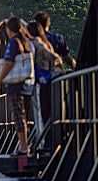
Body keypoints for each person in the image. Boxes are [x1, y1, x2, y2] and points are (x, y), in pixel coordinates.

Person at [33, 11, 76, 149]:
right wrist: (78, 68)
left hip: (42, 81)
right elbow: (68, 58)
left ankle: (49, 142)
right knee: (61, 108)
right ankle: (64, 138)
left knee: (45, 112)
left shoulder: (35, 40)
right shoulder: (58, 38)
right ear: (48, 23)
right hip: (58, 78)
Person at [0, 16, 35, 155]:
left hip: (15, 86)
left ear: (10, 30)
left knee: (18, 116)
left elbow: (9, 63)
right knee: (26, 116)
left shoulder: (13, 43)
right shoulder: (27, 42)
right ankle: (27, 144)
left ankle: (23, 147)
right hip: (28, 84)